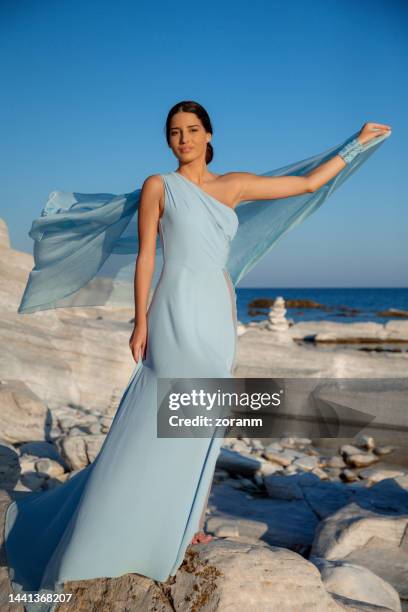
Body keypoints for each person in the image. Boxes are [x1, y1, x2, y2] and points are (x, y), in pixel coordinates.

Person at [3, 100, 391, 611]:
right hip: (173, 309)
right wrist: (140, 320)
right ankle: (106, 534)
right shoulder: (158, 186)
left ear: (209, 135)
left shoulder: (234, 186)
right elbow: (146, 256)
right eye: (174, 132)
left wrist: (357, 143)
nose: (182, 139)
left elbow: (307, 185)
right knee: (156, 416)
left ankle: (182, 529)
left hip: (216, 316)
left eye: (191, 130)